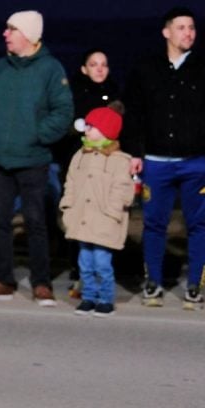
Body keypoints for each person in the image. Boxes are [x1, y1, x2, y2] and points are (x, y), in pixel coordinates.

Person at [121, 6, 205, 311]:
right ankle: (153, 282)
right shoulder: (146, 69)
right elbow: (134, 115)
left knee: (199, 225)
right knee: (154, 225)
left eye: (192, 27)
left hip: (196, 163)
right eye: (181, 27)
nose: (188, 33)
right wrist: (135, 154)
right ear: (166, 32)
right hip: (155, 162)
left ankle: (195, 286)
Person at [0, 10, 73, 306]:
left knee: (36, 221)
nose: (5, 34)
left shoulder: (51, 69)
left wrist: (37, 134)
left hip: (33, 159)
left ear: (28, 35)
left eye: (11, 29)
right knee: (0, 221)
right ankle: (3, 280)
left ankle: (42, 283)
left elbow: (63, 111)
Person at [56, 49, 121, 296]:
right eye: (94, 64)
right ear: (84, 68)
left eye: (104, 64)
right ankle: (78, 273)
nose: (99, 69)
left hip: (106, 166)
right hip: (78, 163)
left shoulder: (115, 94)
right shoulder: (72, 94)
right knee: (79, 218)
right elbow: (66, 126)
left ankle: (103, 272)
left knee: (103, 217)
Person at [59, 107, 136, 316]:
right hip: (82, 217)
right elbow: (71, 181)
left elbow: (123, 190)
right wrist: (68, 205)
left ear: (105, 131)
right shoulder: (80, 156)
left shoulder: (120, 160)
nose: (86, 130)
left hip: (104, 220)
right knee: (84, 261)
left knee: (102, 262)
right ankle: (88, 297)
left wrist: (112, 212)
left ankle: (105, 299)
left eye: (91, 127)